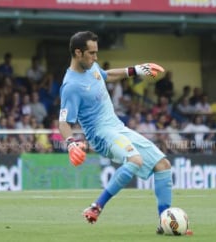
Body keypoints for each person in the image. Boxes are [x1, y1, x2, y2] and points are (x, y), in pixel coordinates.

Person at [58, 31, 189, 235]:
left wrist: (139, 69)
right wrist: (70, 143)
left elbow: (107, 74)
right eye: (92, 53)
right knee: (134, 160)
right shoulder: (71, 86)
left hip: (118, 128)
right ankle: (96, 207)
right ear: (78, 52)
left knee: (163, 165)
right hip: (102, 135)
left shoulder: (92, 67)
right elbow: (63, 122)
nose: (95, 58)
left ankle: (164, 222)